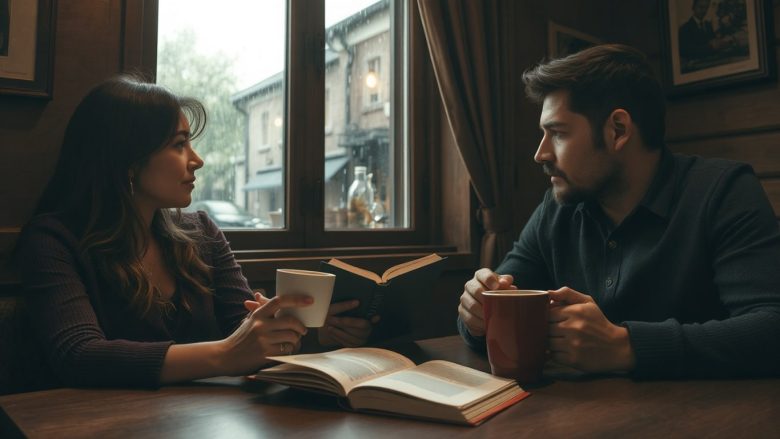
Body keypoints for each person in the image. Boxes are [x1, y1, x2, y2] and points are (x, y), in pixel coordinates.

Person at [17, 75, 375, 388]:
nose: (197, 159)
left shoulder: (201, 232)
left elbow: (241, 326)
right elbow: (79, 356)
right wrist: (225, 355)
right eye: (179, 144)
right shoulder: (53, 241)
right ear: (127, 159)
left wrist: (305, 332)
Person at [457, 44, 780, 379]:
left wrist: (628, 346)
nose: (540, 154)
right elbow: (498, 300)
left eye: (557, 133)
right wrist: (477, 315)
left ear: (619, 131)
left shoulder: (724, 191)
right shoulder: (557, 207)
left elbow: (772, 327)